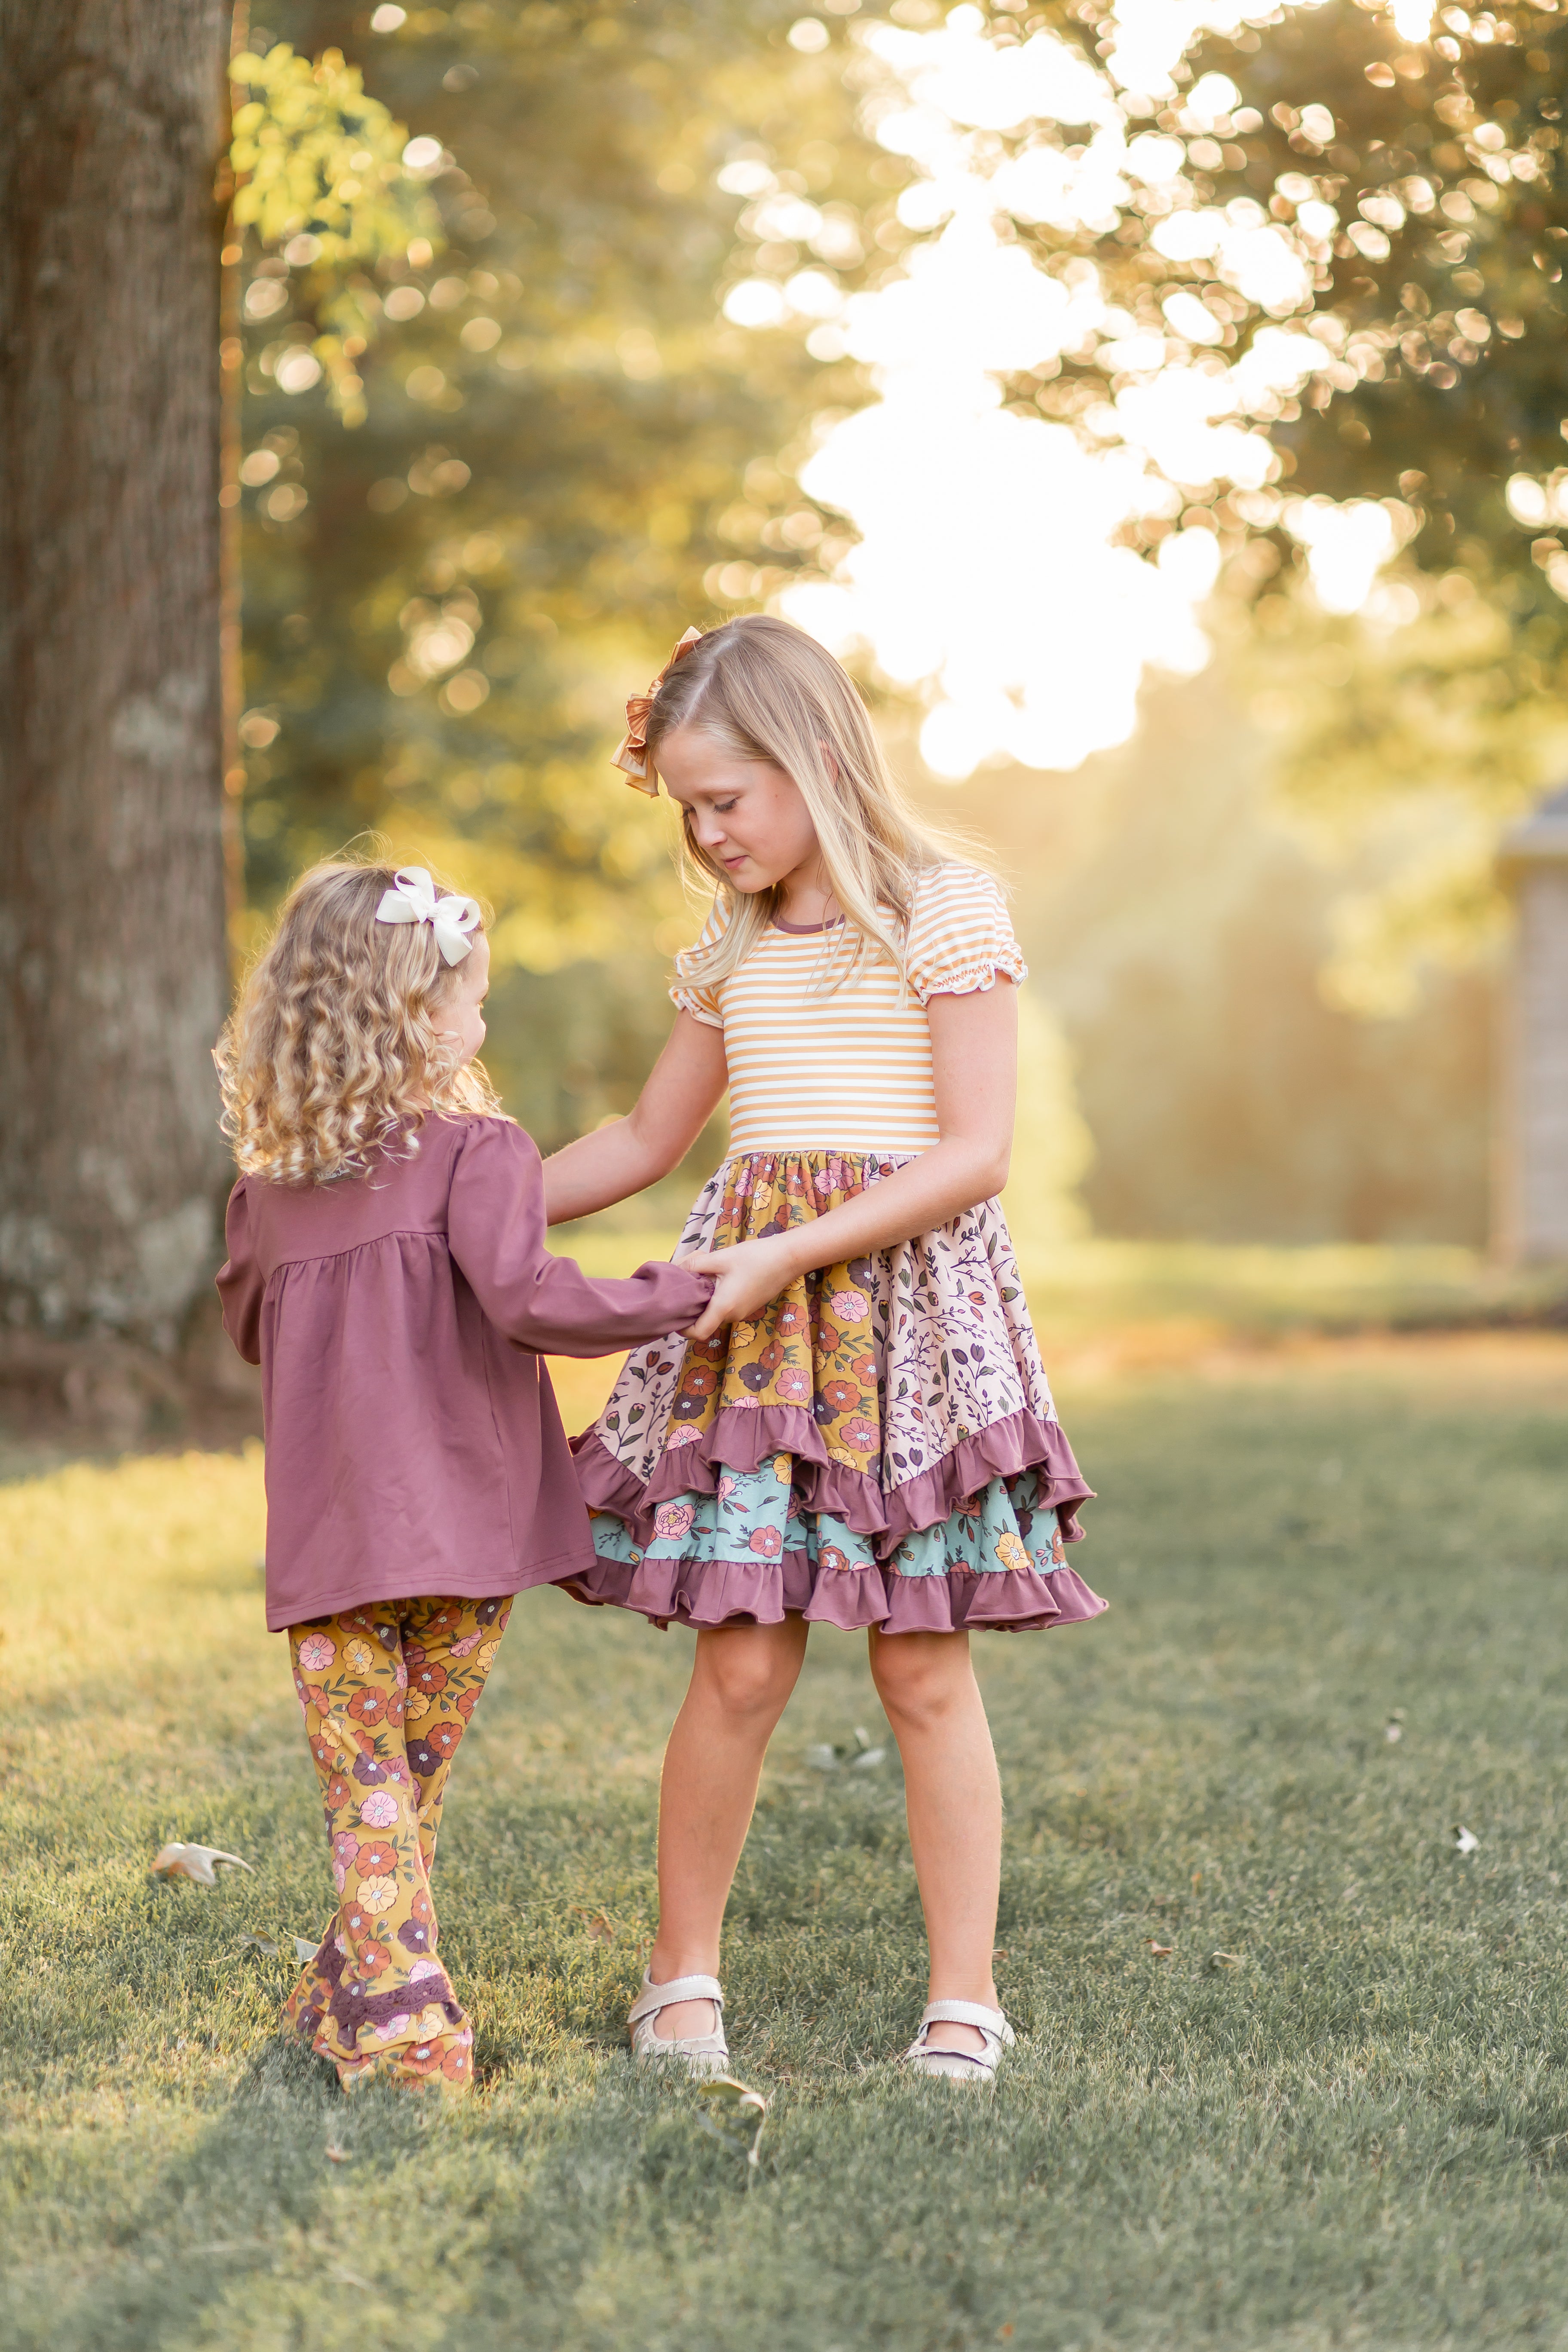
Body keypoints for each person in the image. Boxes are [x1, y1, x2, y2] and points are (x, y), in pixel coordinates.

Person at [542, 615, 1106, 2086]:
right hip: (761, 1349)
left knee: (924, 1668)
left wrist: (792, 1247)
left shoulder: (943, 908)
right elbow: (646, 1138)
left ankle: (965, 2000)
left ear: (807, 759)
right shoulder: (729, 947)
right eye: (687, 811)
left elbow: (977, 1153)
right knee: (738, 1662)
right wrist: (454, 1203)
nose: (707, 834)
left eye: (726, 799)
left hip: (905, 1332)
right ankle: (680, 1984)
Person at [214, 858, 713, 2092]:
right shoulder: (482, 1151)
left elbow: (246, 1325)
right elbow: (530, 1298)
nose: (481, 1022)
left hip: (333, 1540)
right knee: (404, 1785)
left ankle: (351, 1992)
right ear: (419, 1017)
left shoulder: (267, 1195)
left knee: (372, 1787)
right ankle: (405, 2031)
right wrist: (678, 1298)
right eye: (473, 1000)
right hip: (466, 1533)